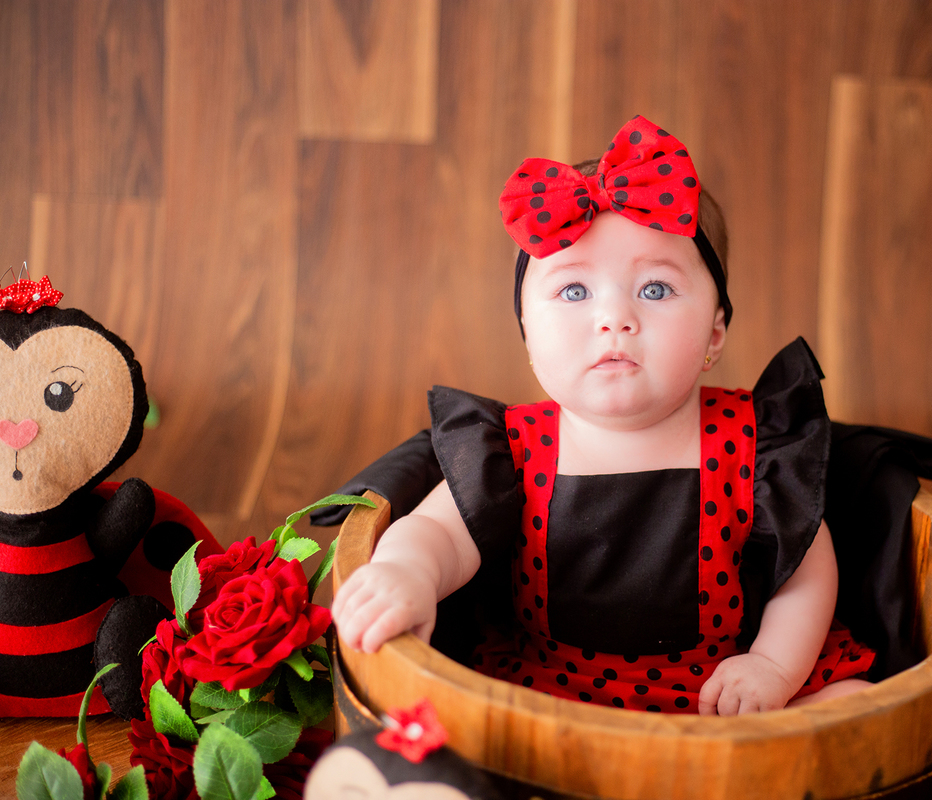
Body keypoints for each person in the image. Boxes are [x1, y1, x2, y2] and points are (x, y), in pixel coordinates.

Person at [332, 115, 874, 715]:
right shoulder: (513, 449)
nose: (615, 318)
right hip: (552, 692)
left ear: (715, 333)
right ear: (529, 342)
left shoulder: (754, 443)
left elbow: (805, 569)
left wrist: (773, 664)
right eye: (573, 292)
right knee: (454, 725)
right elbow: (438, 532)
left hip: (724, 689)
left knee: (855, 707)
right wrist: (408, 573)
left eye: (656, 289)